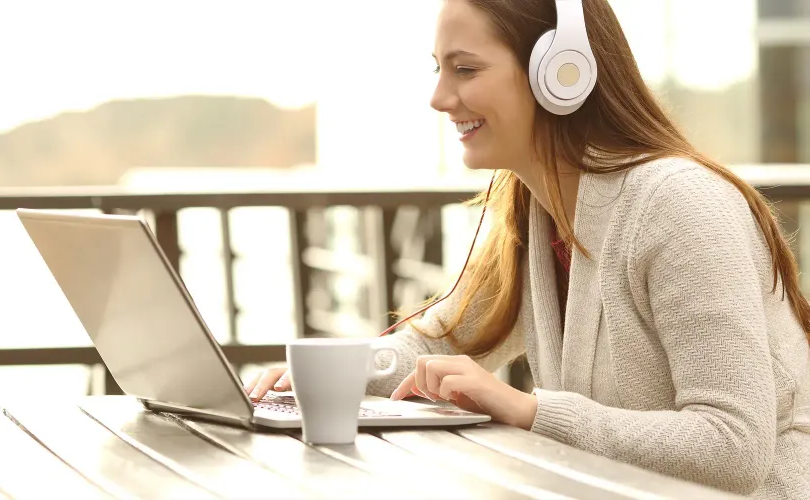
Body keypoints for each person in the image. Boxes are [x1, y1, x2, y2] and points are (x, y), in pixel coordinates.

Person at [245, 0, 809, 496]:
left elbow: (733, 446)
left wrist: (529, 410)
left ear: (561, 74)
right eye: (440, 69)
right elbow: (443, 336)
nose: (440, 98)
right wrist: (318, 378)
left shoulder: (681, 205)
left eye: (465, 69)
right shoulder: (536, 208)